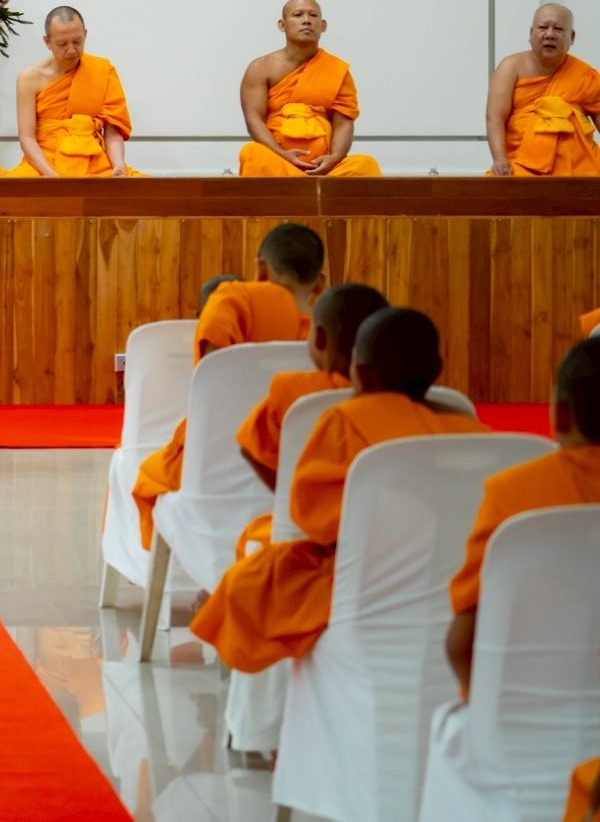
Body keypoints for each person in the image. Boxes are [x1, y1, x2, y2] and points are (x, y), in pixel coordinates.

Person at [188, 307, 492, 672]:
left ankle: (250, 719)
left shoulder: (345, 420)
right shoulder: (475, 433)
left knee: (248, 583)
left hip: (364, 576)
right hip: (452, 575)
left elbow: (313, 520)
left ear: (358, 374)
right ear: (437, 371)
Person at [133, 222, 326, 549]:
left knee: (146, 475)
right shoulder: (325, 333)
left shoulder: (233, 299)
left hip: (211, 461)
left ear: (260, 270)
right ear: (319, 284)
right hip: (297, 469)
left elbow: (212, 375)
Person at [444, 337, 600, 695]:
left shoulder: (511, 494)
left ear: (560, 415)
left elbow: (460, 646)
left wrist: (486, 712)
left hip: (524, 722)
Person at [236, 282, 389, 491]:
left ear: (319, 338)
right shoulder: (401, 398)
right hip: (378, 519)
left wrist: (289, 500)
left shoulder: (291, 391)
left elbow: (250, 450)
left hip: (308, 520)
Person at [236, 0, 381, 176]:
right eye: (298, 15)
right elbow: (254, 119)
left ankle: (307, 190)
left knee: (366, 164)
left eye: (313, 15)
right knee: (252, 153)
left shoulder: (338, 70)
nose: (306, 21)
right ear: (282, 25)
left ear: (323, 25)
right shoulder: (261, 67)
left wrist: (334, 157)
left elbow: (344, 123)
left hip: (325, 168)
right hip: (279, 162)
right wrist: (281, 153)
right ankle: (307, 192)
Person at [0, 6, 139, 176]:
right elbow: (27, 138)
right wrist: (51, 175)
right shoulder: (30, 78)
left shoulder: (102, 71)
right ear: (47, 41)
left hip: (92, 160)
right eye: (62, 44)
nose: (71, 50)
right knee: (13, 194)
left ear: (85, 34)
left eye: (77, 42)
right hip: (45, 162)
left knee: (143, 192)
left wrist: (118, 166)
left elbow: (113, 132)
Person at [487, 4, 600, 176]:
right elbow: (495, 117)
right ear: (531, 33)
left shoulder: (585, 75)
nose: (549, 35)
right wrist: (500, 158)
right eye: (542, 28)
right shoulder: (511, 67)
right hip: (523, 164)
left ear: (572, 36)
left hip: (579, 168)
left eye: (558, 29)